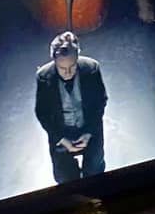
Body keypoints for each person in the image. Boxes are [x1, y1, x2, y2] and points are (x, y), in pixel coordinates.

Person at [34, 31, 108, 184]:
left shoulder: (91, 68)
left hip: (89, 128)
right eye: (62, 68)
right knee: (65, 179)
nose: (67, 73)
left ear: (78, 57)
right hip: (61, 132)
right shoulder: (43, 76)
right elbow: (42, 112)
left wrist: (89, 132)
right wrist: (61, 138)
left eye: (72, 67)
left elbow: (100, 102)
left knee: (95, 172)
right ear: (54, 61)